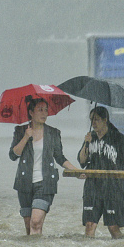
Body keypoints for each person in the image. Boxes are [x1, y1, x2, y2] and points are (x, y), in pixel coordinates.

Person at [9, 97, 80, 235]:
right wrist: (25, 138)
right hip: (24, 182)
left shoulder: (53, 133)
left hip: (46, 182)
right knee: (30, 226)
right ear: (31, 112)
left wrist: (75, 170)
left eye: (46, 110)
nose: (44, 113)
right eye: (40, 110)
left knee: (35, 221)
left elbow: (60, 157)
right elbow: (13, 155)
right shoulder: (20, 131)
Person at [77, 106, 124, 238]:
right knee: (89, 226)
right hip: (92, 187)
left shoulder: (118, 137)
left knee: (113, 227)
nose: (93, 123)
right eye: (91, 120)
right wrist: (86, 144)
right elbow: (82, 160)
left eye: (96, 119)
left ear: (105, 120)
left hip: (112, 187)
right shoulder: (90, 137)